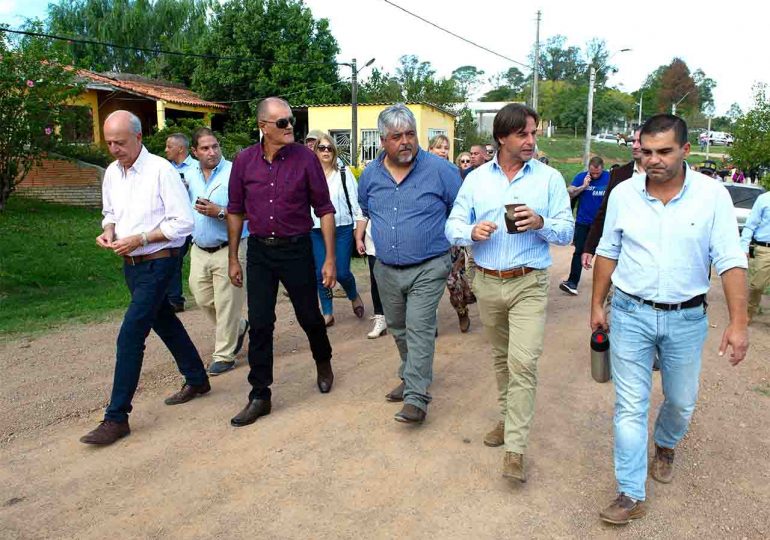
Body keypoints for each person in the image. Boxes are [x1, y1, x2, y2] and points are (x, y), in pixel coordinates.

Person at [591, 114, 748, 525]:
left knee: (680, 401)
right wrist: (596, 305)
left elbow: (731, 260)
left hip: (686, 317)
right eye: (647, 152)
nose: (653, 161)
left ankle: (665, 443)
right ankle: (629, 492)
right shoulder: (624, 194)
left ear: (685, 150)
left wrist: (738, 323)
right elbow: (608, 250)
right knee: (629, 406)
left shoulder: (712, 196)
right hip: (629, 313)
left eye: (664, 152)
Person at [446, 103, 574, 482]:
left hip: (529, 283)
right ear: (502, 137)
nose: (531, 140)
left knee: (524, 362)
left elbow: (566, 231)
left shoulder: (549, 179)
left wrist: (541, 222)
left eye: (534, 133)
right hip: (485, 280)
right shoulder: (476, 179)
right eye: (523, 134)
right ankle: (506, 418)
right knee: (502, 358)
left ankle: (515, 448)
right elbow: (452, 222)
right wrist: (471, 232)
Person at [80, 111, 209, 446]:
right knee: (163, 319)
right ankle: (197, 378)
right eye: (109, 142)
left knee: (130, 335)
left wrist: (140, 238)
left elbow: (183, 223)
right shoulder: (112, 172)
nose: (113, 149)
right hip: (131, 264)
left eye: (120, 142)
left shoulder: (161, 171)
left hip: (159, 261)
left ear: (138, 137)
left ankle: (116, 417)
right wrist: (108, 232)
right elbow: (110, 213)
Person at [226, 97, 337, 428]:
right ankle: (260, 394)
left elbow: (325, 209)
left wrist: (330, 258)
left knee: (309, 316)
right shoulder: (244, 161)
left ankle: (323, 360)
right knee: (260, 322)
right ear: (263, 126)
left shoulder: (306, 159)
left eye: (291, 121)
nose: (291, 127)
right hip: (259, 251)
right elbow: (234, 210)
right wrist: (233, 257)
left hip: (297, 249)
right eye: (283, 122)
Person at [357, 103, 461, 424]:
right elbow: (366, 209)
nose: (405, 141)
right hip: (385, 268)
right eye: (396, 136)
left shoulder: (442, 171)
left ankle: (417, 396)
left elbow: (460, 209)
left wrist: (457, 251)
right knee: (399, 328)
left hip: (429, 265)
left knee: (419, 328)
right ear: (383, 140)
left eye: (410, 134)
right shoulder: (371, 175)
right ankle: (410, 373)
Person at [186, 127, 250, 376]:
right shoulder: (190, 173)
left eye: (215, 146)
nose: (211, 152)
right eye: (205, 148)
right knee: (201, 298)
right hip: (199, 248)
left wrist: (220, 211)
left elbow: (249, 211)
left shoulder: (235, 171)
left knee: (226, 303)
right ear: (195, 151)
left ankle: (225, 355)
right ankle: (239, 325)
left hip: (230, 247)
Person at [310, 133, 366, 327]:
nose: (326, 151)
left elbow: (357, 201)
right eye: (321, 148)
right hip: (315, 229)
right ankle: (327, 312)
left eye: (329, 148)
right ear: (315, 150)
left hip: (342, 227)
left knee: (341, 272)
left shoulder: (343, 172)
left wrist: (358, 229)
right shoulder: (308, 173)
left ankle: (353, 295)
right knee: (320, 272)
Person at [429, 134, 475, 332]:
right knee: (428, 283)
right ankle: (429, 323)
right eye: (439, 147)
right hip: (428, 237)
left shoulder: (454, 173)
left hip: (450, 237)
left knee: (453, 281)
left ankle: (462, 310)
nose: (443, 151)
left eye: (446, 148)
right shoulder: (420, 173)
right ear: (430, 150)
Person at [581, 128, 645, 269]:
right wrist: (589, 247)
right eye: (633, 141)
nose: (634, 146)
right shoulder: (619, 174)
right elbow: (604, 212)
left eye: (640, 142)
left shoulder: (664, 177)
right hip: (621, 253)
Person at [559, 156, 610, 296]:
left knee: (606, 254)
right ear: (589, 168)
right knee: (579, 251)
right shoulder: (581, 177)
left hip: (602, 224)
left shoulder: (609, 178)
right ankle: (572, 282)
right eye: (592, 172)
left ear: (602, 168)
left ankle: (608, 285)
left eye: (597, 173)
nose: (594, 175)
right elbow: (569, 193)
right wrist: (583, 187)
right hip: (583, 221)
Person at [164, 133, 197, 312]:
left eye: (169, 146)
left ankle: (213, 296)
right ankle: (175, 299)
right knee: (174, 259)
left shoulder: (198, 168)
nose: (166, 150)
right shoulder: (165, 169)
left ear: (181, 149)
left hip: (199, 222)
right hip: (179, 223)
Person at [740, 190, 770, 322]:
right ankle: (749, 312)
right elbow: (750, 225)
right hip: (765, 249)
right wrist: (744, 247)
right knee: (758, 285)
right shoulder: (764, 199)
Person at [358, 220, 388, 338]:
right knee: (375, 281)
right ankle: (380, 318)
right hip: (373, 240)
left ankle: (409, 318)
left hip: (400, 238)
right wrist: (358, 238)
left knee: (402, 278)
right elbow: (362, 213)